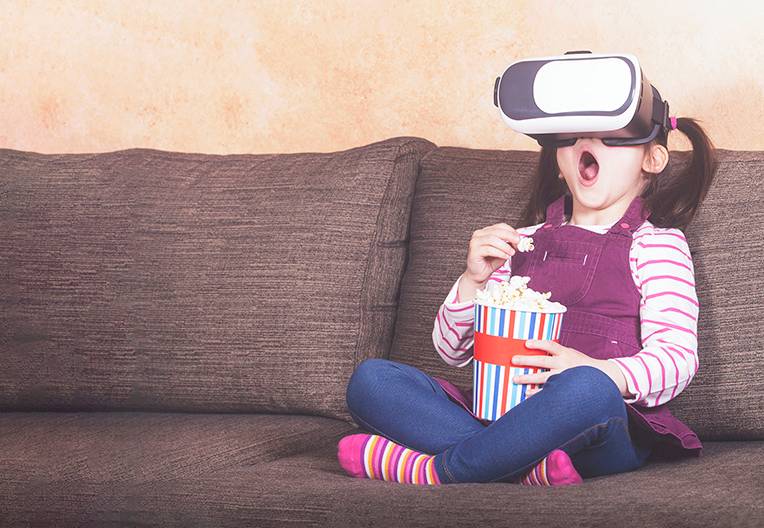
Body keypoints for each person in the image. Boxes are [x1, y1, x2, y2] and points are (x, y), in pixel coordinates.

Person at [336, 113, 718, 485]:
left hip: (590, 423)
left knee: (586, 389)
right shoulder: (519, 242)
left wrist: (597, 370)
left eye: (610, 135)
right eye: (569, 137)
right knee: (372, 380)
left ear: (651, 158)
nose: (585, 144)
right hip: (499, 414)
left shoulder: (657, 244)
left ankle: (436, 471)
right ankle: (521, 467)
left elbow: (676, 358)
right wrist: (474, 279)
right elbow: (452, 351)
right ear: (556, 160)